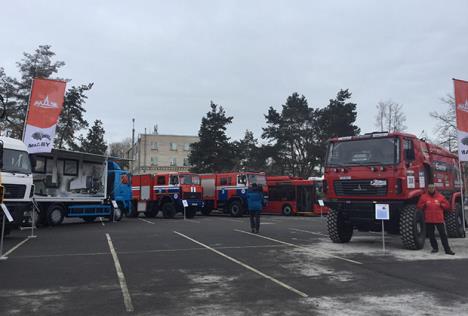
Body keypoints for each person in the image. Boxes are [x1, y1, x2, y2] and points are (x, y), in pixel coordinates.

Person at [417, 183, 455, 255]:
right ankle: (435, 248)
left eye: (432, 188)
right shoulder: (423, 197)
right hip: (429, 220)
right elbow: (419, 206)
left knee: (443, 235)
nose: (431, 189)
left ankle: (447, 250)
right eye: (430, 188)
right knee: (431, 235)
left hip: (439, 219)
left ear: (434, 188)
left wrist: (442, 205)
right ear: (428, 189)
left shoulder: (440, 197)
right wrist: (424, 205)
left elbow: (447, 206)